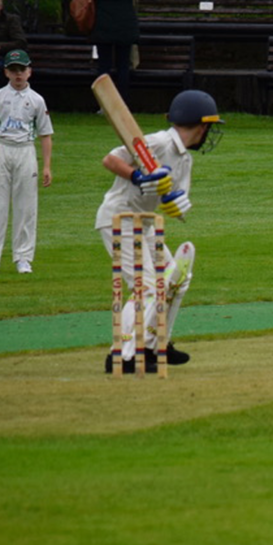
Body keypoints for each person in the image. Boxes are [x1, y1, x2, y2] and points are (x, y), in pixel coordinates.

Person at [96, 89, 225, 374]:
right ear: (202, 125)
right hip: (119, 218)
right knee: (147, 287)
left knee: (177, 278)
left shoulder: (185, 160)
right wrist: (139, 176)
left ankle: (155, 345)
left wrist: (173, 201)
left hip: (145, 223)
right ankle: (122, 356)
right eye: (209, 127)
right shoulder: (157, 142)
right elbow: (110, 160)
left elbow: (174, 205)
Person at [0, 49, 52, 276]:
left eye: (22, 70)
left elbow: (45, 135)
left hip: (25, 150)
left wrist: (46, 166)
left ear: (29, 71)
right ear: (6, 72)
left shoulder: (37, 100)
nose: (18, 74)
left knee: (26, 206)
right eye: (13, 70)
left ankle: (23, 258)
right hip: (1, 148)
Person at [90, 0, 147, 103]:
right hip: (124, 22)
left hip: (103, 20)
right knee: (123, 66)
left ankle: (104, 102)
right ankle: (122, 101)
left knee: (104, 65)